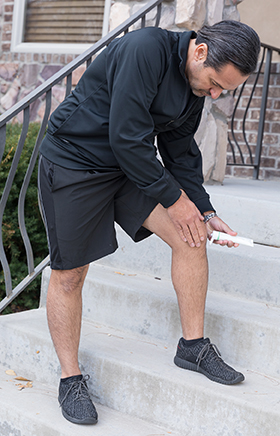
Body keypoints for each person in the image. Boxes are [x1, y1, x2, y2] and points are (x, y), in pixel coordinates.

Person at [38, 20, 260, 425]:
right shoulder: (145, 50)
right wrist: (176, 201)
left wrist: (205, 212)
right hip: (76, 162)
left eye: (223, 91)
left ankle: (192, 346)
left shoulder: (194, 85)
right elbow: (126, 136)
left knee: (191, 235)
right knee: (70, 274)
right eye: (214, 83)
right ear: (199, 52)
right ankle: (70, 378)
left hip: (128, 169)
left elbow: (179, 150)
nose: (214, 94)